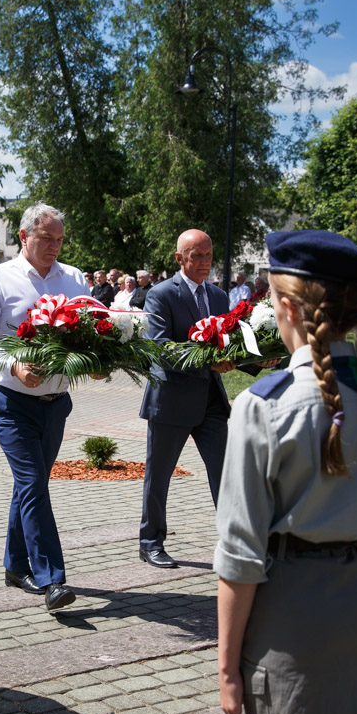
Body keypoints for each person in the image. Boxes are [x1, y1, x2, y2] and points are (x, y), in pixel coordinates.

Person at [215, 230, 357, 714]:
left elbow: (239, 553)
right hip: (355, 612)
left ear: (288, 306)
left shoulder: (263, 405)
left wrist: (228, 671)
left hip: (285, 617)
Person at [0, 202, 87, 612]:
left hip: (56, 404)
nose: (54, 246)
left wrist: (99, 361)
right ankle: (53, 579)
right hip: (10, 401)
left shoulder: (74, 279)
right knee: (34, 482)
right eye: (45, 238)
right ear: (23, 237)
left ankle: (16, 566)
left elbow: (88, 334)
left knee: (30, 485)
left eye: (59, 239)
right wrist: (14, 364)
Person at [138, 229, 260, 568]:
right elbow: (160, 348)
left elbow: (228, 344)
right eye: (197, 256)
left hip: (211, 402)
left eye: (208, 255)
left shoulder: (220, 297)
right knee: (159, 476)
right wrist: (209, 361)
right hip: (171, 400)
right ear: (179, 258)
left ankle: (236, 543)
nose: (205, 262)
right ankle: (150, 543)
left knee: (226, 473)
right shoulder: (161, 294)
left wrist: (257, 360)